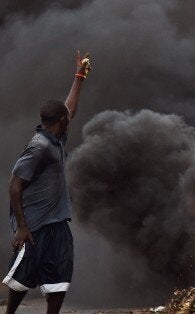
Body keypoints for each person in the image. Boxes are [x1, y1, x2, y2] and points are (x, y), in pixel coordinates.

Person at [3, 51, 91, 314]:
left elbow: (69, 109)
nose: (69, 119)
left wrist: (79, 76)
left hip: (57, 221)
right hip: (35, 225)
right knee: (22, 277)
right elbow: (14, 184)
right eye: (66, 118)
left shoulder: (56, 139)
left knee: (60, 276)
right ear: (60, 122)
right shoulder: (39, 147)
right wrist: (21, 227)